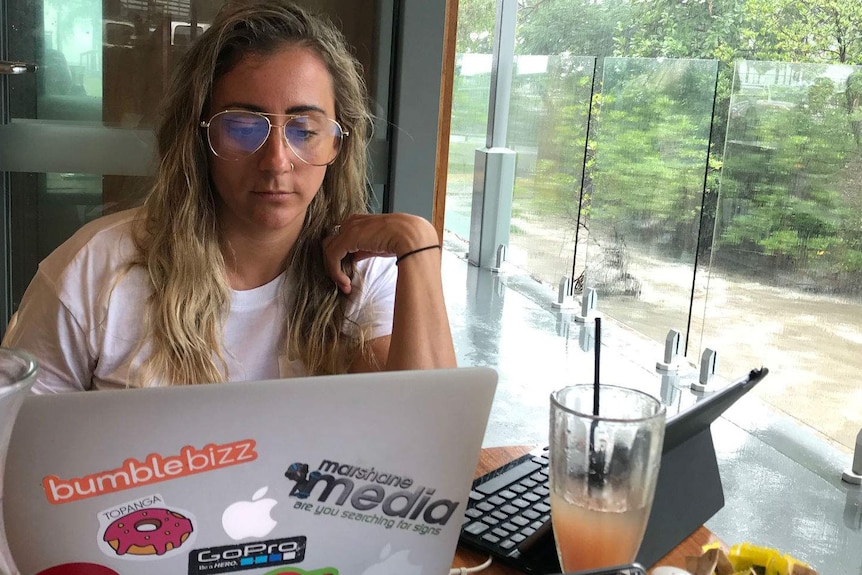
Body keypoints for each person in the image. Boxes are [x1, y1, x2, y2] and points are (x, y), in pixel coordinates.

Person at [2, 0, 457, 392]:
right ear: (199, 136)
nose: (277, 160)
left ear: (337, 143)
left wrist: (417, 243)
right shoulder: (94, 270)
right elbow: (13, 447)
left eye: (304, 129)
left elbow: (426, 439)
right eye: (243, 125)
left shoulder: (365, 273)